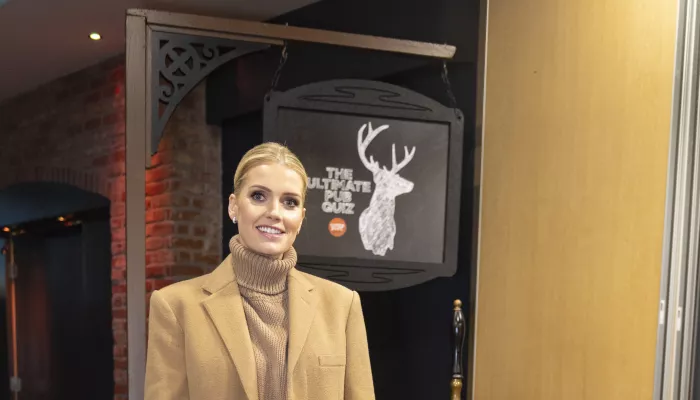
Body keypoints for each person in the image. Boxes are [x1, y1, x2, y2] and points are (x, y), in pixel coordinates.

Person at [144, 142, 375, 400]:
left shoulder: (342, 305)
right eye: (258, 196)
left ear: (300, 218)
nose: (274, 212)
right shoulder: (175, 307)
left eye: (290, 202)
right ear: (234, 206)